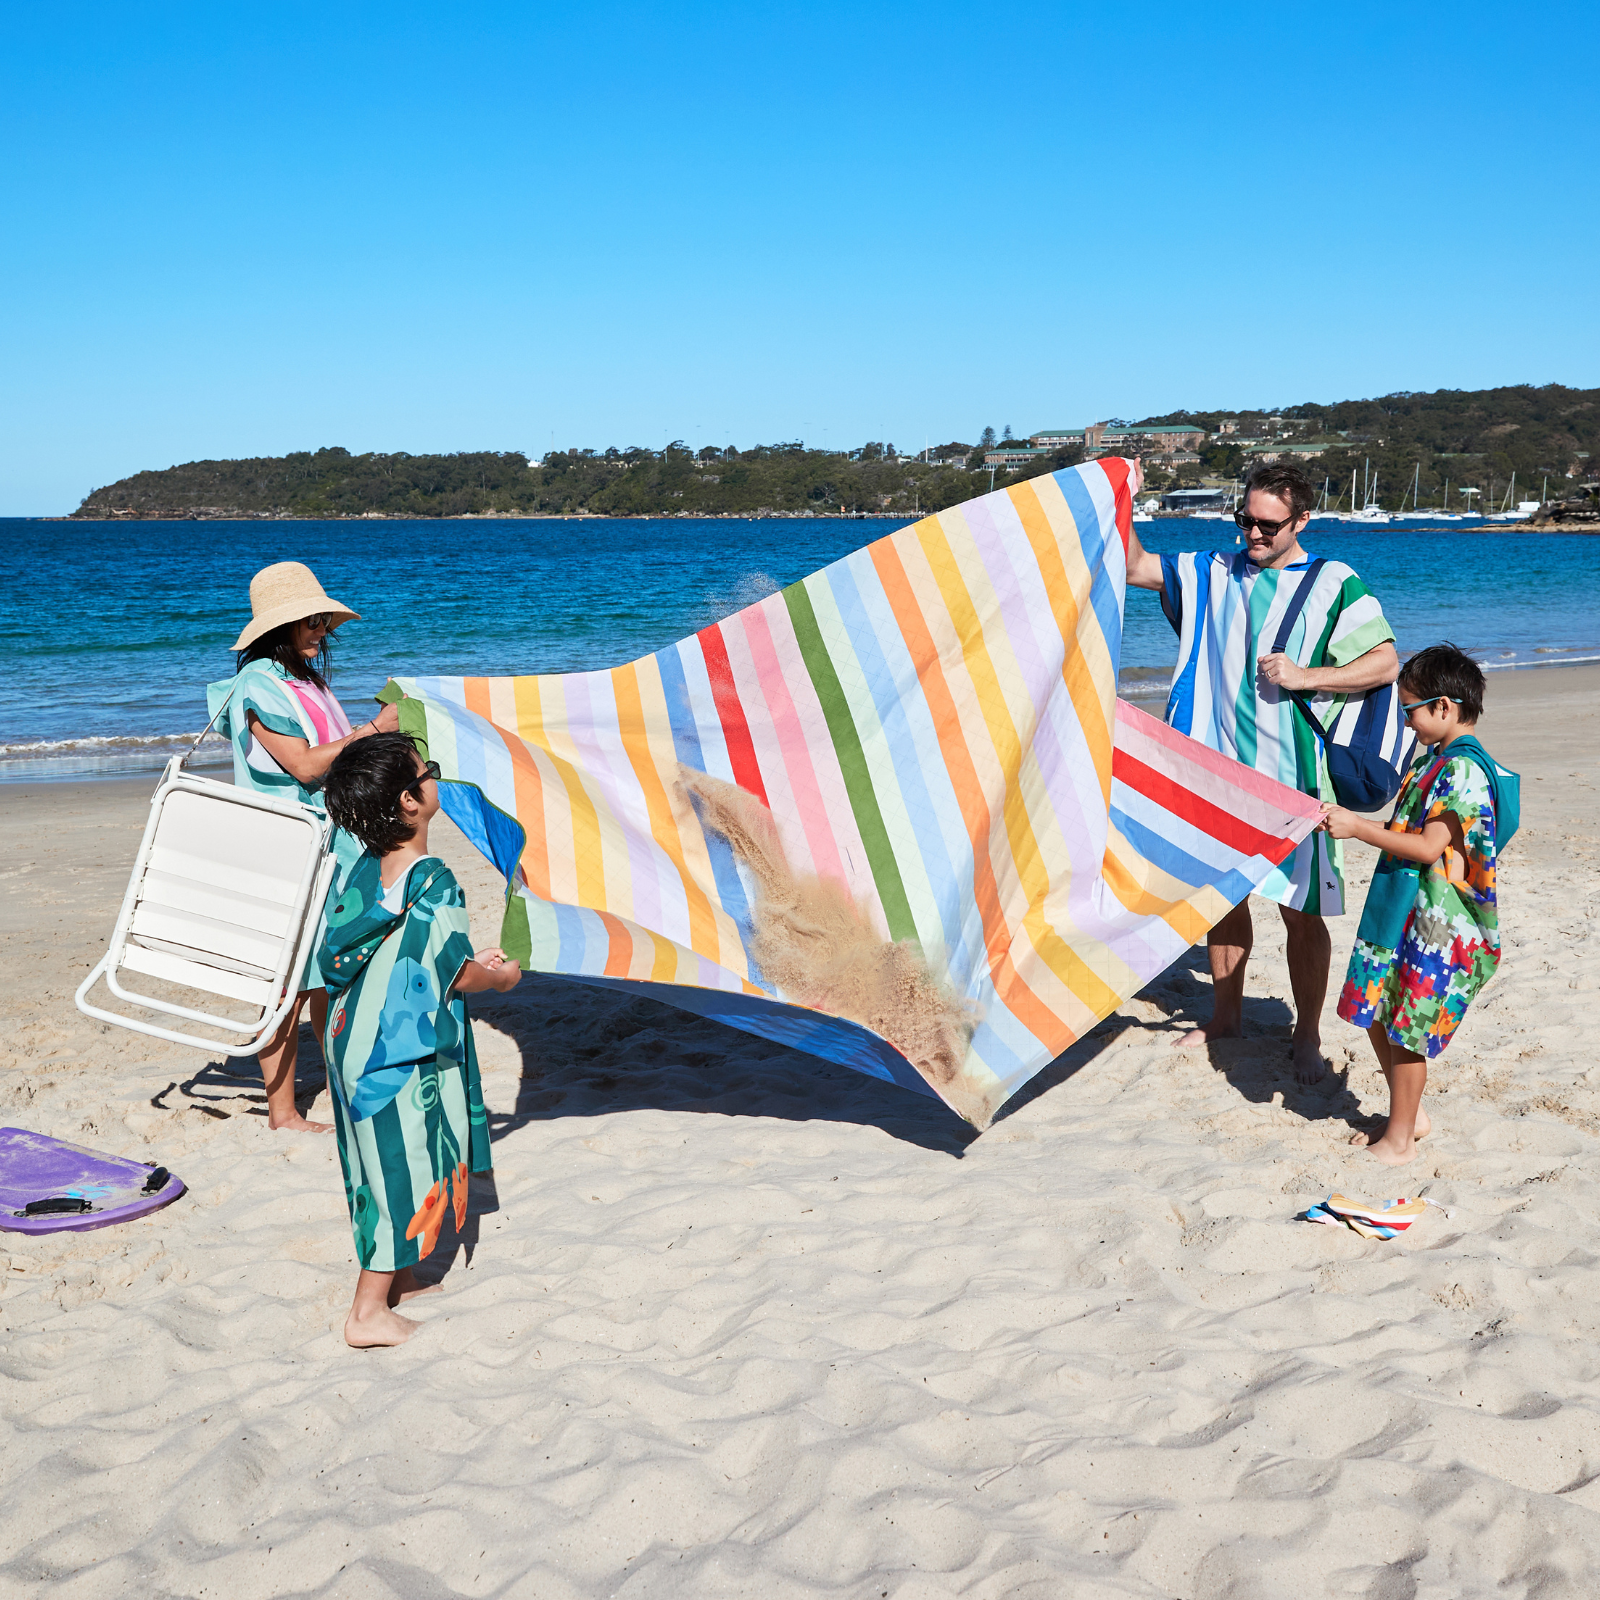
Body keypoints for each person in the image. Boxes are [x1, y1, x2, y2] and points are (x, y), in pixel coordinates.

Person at [1125, 461, 1400, 1083]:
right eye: (1244, 519)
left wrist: (1309, 676)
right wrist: (1119, 493)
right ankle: (1226, 1016)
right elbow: (1133, 564)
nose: (1252, 533)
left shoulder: (1334, 582)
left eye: (1267, 524)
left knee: (1301, 910)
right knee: (1218, 896)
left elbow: (1384, 663)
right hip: (1213, 775)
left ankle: (1306, 1034)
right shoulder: (1210, 571)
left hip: (1291, 782)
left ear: (1301, 519)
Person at [319, 733, 520, 1348]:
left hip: (350, 1037)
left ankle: (401, 1279)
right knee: (400, 1170)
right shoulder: (433, 877)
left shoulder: (361, 870)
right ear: (410, 801)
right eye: (426, 772)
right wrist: (501, 978)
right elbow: (455, 973)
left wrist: (466, 956)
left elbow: (401, 949)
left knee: (373, 1162)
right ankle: (367, 1312)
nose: (434, 778)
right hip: (395, 1051)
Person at [207, 561, 400, 1132]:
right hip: (290, 845)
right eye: (311, 621)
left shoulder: (303, 680)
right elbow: (306, 766)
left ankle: (336, 1088)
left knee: (328, 969)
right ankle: (283, 1113)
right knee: (290, 981)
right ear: (278, 626)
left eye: (323, 621)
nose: (322, 630)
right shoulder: (257, 684)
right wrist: (374, 729)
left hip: (331, 841)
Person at [1323, 645, 1500, 1164]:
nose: (1406, 723)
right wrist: (1355, 822)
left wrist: (1359, 829)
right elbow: (1412, 832)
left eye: (1411, 710)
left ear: (1444, 707)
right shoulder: (1436, 760)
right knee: (1378, 1011)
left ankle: (1400, 1141)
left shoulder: (1463, 770)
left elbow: (1429, 847)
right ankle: (1409, 1117)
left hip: (1435, 923)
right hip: (1401, 909)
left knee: (1406, 1031)